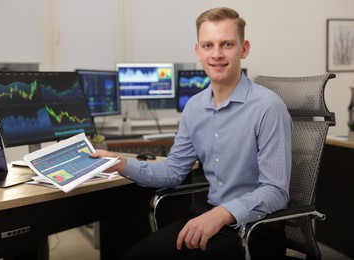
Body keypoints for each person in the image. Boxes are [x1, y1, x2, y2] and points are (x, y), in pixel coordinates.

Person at [91, 6, 292, 260]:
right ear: (198, 51)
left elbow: (276, 191)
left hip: (255, 230)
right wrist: (119, 163)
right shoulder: (195, 107)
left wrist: (221, 214)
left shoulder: (268, 107)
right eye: (208, 45)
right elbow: (173, 171)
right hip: (207, 219)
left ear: (244, 49)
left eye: (227, 44)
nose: (216, 54)